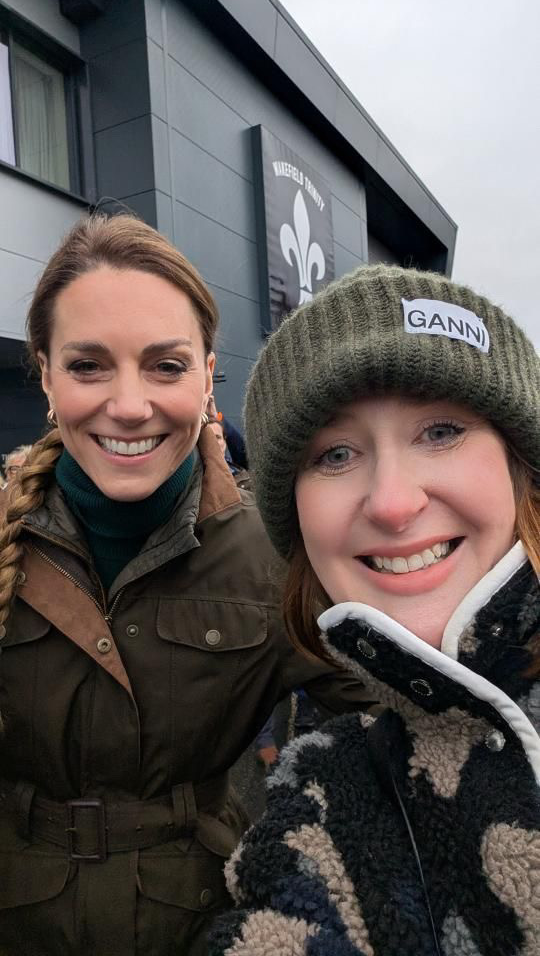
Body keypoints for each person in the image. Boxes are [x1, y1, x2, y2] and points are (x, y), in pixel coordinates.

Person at [0, 214, 376, 956]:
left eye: (166, 366)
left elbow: (381, 736)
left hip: (207, 922)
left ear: (208, 374)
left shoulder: (277, 554)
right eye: (89, 366)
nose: (131, 405)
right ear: (45, 374)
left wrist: (308, 891)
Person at [210, 264, 540, 955]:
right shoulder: (328, 802)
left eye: (441, 430)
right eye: (334, 454)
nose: (393, 501)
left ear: (521, 465)